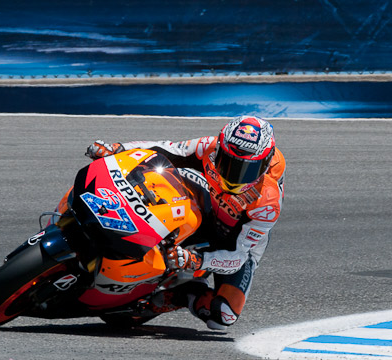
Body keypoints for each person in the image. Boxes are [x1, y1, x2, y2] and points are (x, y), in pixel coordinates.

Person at [85, 116, 285, 330]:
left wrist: (196, 260)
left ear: (264, 164)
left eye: (247, 170)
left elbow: (238, 257)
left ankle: (185, 292)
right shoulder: (209, 146)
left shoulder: (267, 203)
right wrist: (118, 149)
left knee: (223, 316)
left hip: (234, 241)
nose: (235, 176)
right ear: (220, 149)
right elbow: (167, 149)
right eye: (228, 163)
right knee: (159, 175)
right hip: (204, 203)